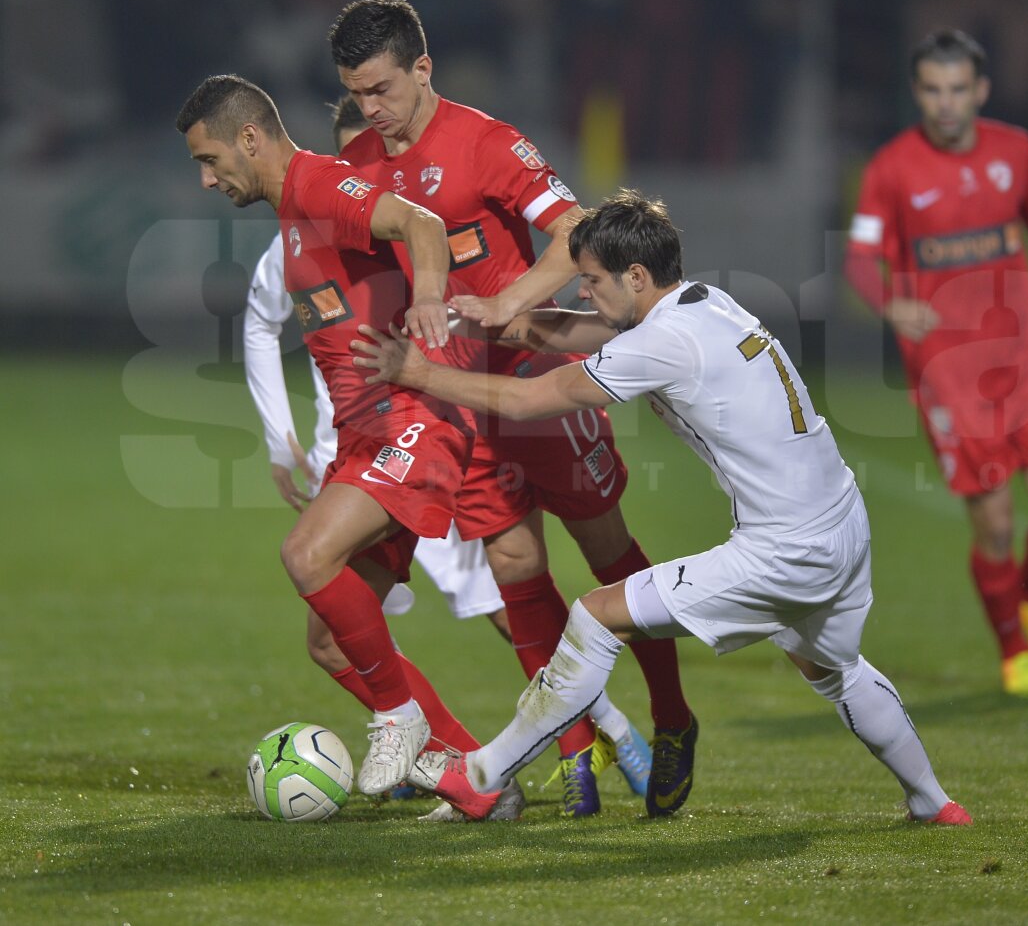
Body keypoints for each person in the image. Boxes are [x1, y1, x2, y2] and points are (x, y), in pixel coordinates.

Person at [350, 188, 972, 826]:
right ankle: (935, 803)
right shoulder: (706, 302)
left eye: (590, 280)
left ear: (637, 276)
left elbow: (533, 398)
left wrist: (418, 374)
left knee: (595, 618)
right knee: (831, 667)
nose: (583, 292)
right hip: (842, 523)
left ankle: (480, 775)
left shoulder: (664, 342)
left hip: (786, 549)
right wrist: (520, 323)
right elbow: (600, 331)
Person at [327, 0, 690, 817]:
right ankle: (575, 752)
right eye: (357, 94)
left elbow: (576, 229)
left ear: (423, 68)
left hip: (538, 382)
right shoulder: (357, 156)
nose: (371, 111)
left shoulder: (486, 141)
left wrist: (508, 301)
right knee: (517, 573)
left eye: (383, 89)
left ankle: (672, 715)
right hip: (458, 401)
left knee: (607, 553)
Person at [244, 95, 656, 814]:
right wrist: (287, 437)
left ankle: (625, 725)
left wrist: (597, 327)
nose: (369, 174)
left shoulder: (388, 211)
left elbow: (454, 249)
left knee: (530, 581)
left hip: (439, 421)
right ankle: (474, 780)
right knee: (346, 634)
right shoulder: (302, 235)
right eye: (356, 163)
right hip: (379, 444)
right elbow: (261, 321)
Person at [175, 73, 521, 821]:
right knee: (332, 644)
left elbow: (424, 223)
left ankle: (398, 717)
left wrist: (430, 298)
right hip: (367, 436)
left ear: (249, 138)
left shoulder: (322, 184)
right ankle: (479, 780)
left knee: (305, 554)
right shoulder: (292, 216)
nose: (207, 179)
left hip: (415, 421)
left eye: (209, 159)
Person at [843, 28, 1028, 697]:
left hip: (1024, 359)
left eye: (958, 89)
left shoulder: (1015, 151)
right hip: (947, 370)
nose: (945, 103)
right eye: (933, 90)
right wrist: (890, 305)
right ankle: (1012, 648)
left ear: (981, 90)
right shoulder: (891, 167)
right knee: (995, 520)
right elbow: (858, 259)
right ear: (918, 92)